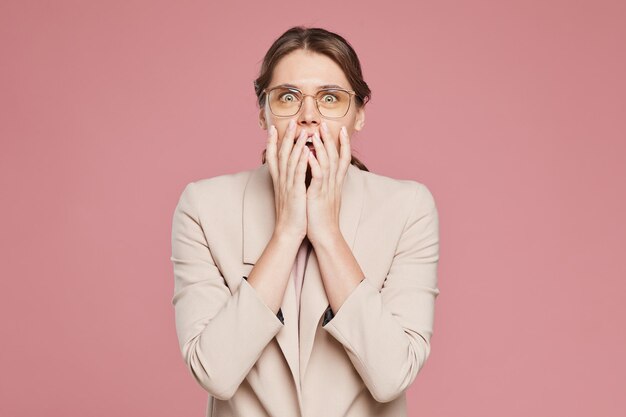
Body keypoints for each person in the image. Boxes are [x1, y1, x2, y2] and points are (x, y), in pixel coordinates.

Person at [170, 26, 441, 417]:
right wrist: (286, 233)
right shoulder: (203, 206)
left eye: (330, 98)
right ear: (263, 114)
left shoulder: (407, 207)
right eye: (287, 98)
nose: (308, 117)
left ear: (359, 115)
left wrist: (327, 234)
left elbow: (391, 375)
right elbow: (215, 371)